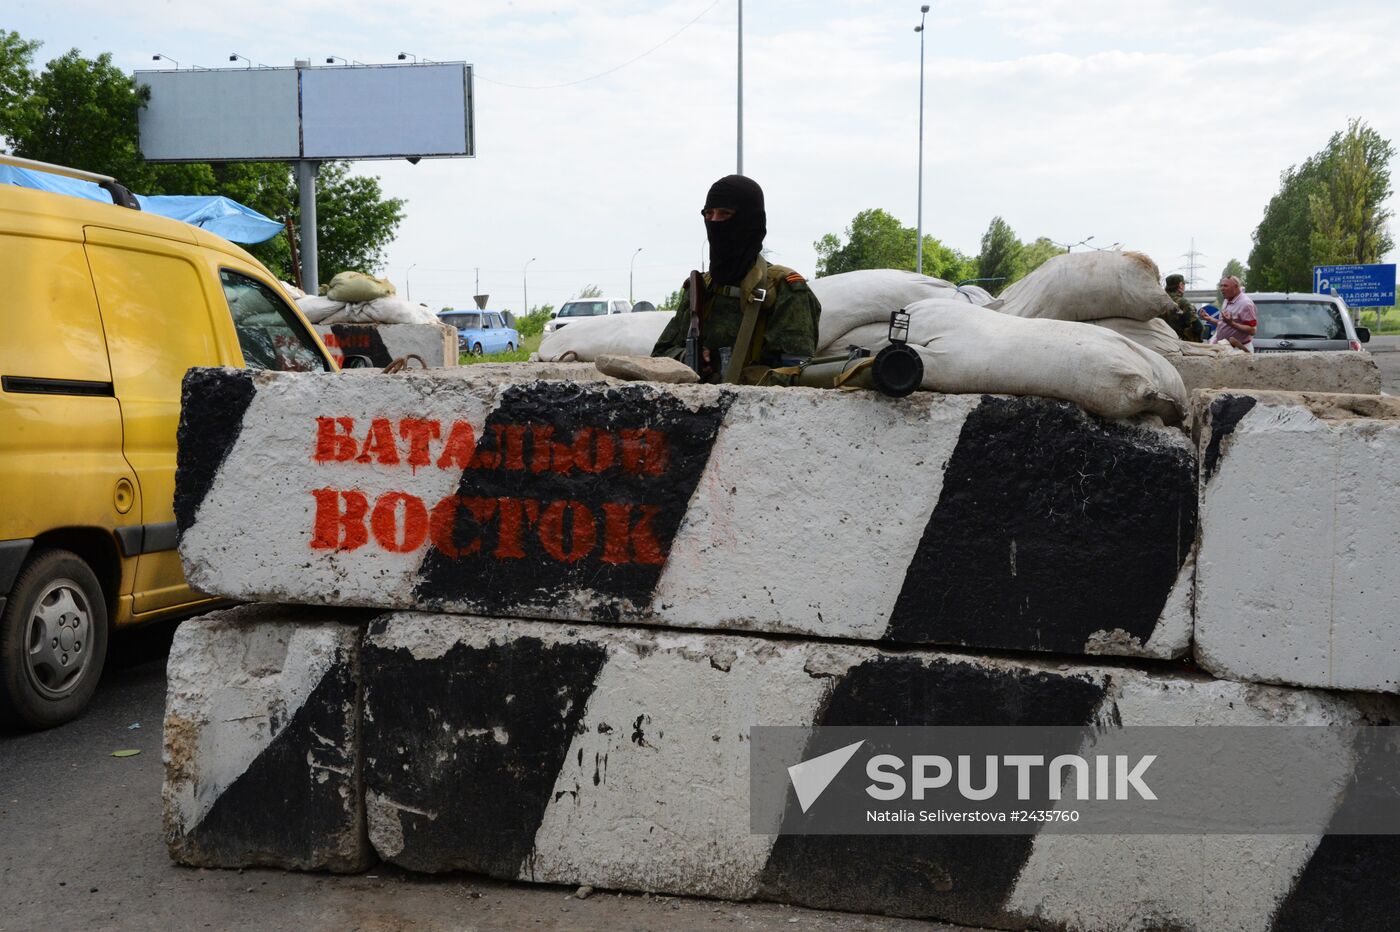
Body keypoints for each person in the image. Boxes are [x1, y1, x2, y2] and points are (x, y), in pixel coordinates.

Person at [651, 175, 821, 383]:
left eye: (725, 214)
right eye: (708, 214)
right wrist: (687, 358)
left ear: (750, 221)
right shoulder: (700, 288)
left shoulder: (786, 289)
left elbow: (798, 376)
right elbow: (658, 356)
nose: (714, 222)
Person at [1211, 275, 1258, 352]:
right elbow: (1224, 324)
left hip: (1239, 349)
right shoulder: (1227, 300)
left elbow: (1252, 330)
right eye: (1221, 286)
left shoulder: (1246, 304)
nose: (1222, 289)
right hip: (1225, 348)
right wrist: (1209, 319)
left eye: (1225, 286)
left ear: (1236, 287)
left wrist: (1232, 323)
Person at [1160, 274, 1203, 342]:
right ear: (1180, 285)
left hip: (1162, 342)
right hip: (1182, 345)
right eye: (1184, 284)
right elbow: (1198, 327)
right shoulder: (1183, 302)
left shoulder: (1159, 302)